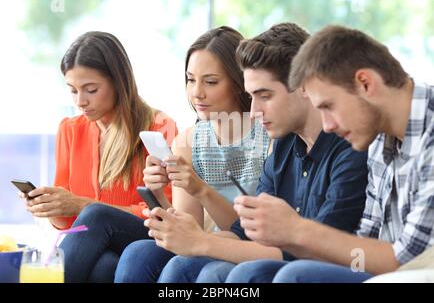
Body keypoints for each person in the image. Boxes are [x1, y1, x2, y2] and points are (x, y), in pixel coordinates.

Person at [117, 22, 368, 283]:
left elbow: (317, 251)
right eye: (252, 96)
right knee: (169, 262)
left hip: (324, 266)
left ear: (304, 87)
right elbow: (245, 231)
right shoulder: (284, 147)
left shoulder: (349, 148)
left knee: (224, 273)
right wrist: (184, 232)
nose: (255, 110)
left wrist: (202, 242)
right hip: (279, 259)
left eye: (265, 96)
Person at [232, 24, 434, 283]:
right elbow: (365, 246)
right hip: (385, 274)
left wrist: (297, 230)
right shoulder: (377, 143)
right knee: (262, 273)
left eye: (328, 106)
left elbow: (403, 260)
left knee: (294, 276)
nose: (327, 126)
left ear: (365, 83)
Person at [114, 26, 270, 282]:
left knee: (186, 268)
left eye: (210, 82)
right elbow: (190, 230)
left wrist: (199, 188)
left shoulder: (268, 137)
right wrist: (158, 197)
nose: (197, 92)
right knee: (137, 253)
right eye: (190, 79)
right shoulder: (187, 142)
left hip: (244, 246)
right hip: (204, 241)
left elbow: (243, 233)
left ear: (239, 82)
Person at [22, 31, 177, 282]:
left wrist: (82, 204)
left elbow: (165, 211)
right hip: (98, 249)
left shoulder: (159, 127)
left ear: (118, 82)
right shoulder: (70, 129)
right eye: (73, 91)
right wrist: (49, 206)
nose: (80, 101)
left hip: (145, 236)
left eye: (91, 89)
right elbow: (68, 224)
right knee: (105, 266)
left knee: (97, 214)